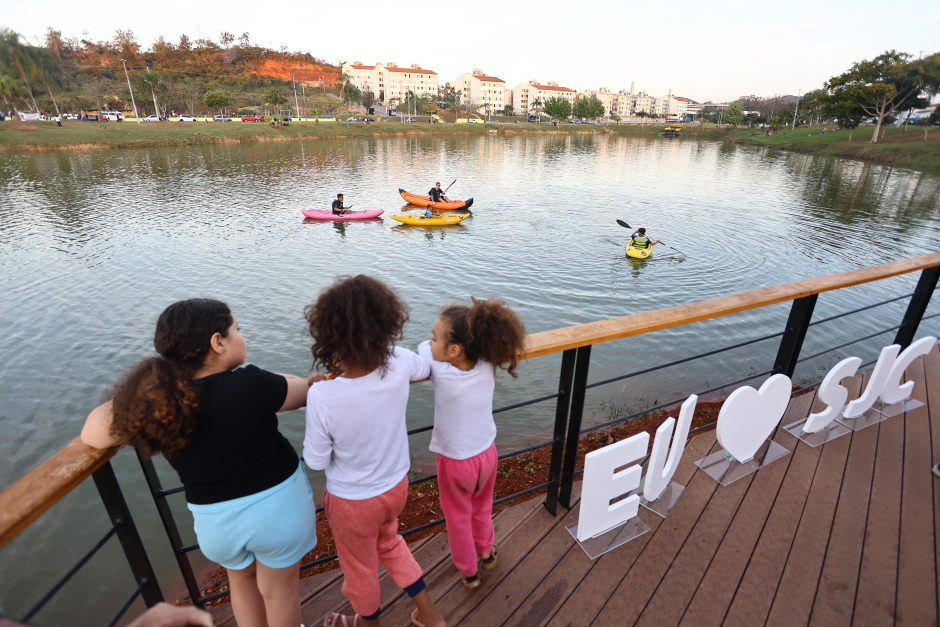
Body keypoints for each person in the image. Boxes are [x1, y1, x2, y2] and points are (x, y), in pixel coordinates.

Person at [81, 299, 321, 627]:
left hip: (216, 524)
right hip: (277, 512)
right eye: (237, 329)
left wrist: (138, 397)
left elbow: (92, 433)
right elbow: (305, 390)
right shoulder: (251, 383)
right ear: (217, 342)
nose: (242, 336)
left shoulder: (160, 403)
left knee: (241, 581)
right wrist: (273, 379)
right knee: (278, 592)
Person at [303, 276, 446, 627]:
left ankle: (368, 624)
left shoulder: (323, 395)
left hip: (353, 502)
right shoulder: (397, 361)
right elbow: (424, 366)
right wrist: (426, 346)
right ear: (386, 323)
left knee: (360, 569)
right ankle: (430, 615)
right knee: (391, 544)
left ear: (327, 335)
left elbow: (316, 460)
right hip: (395, 486)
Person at [417, 298, 525, 590]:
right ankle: (486, 552)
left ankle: (469, 571)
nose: (430, 341)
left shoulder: (440, 370)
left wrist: (427, 347)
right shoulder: (487, 362)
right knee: (481, 507)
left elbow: (421, 352)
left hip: (456, 462)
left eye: (435, 337)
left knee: (457, 517)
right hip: (486, 455)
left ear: (453, 350)